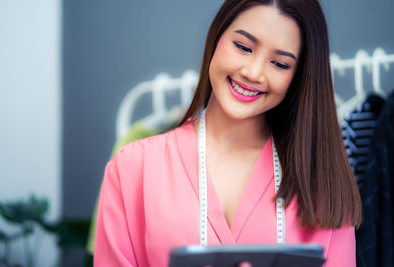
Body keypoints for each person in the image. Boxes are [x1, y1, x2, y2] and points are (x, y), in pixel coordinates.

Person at [94, 0, 362, 266]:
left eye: (280, 64)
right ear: (217, 36)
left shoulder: (321, 182)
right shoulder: (133, 168)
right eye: (243, 47)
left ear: (300, 76)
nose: (253, 72)